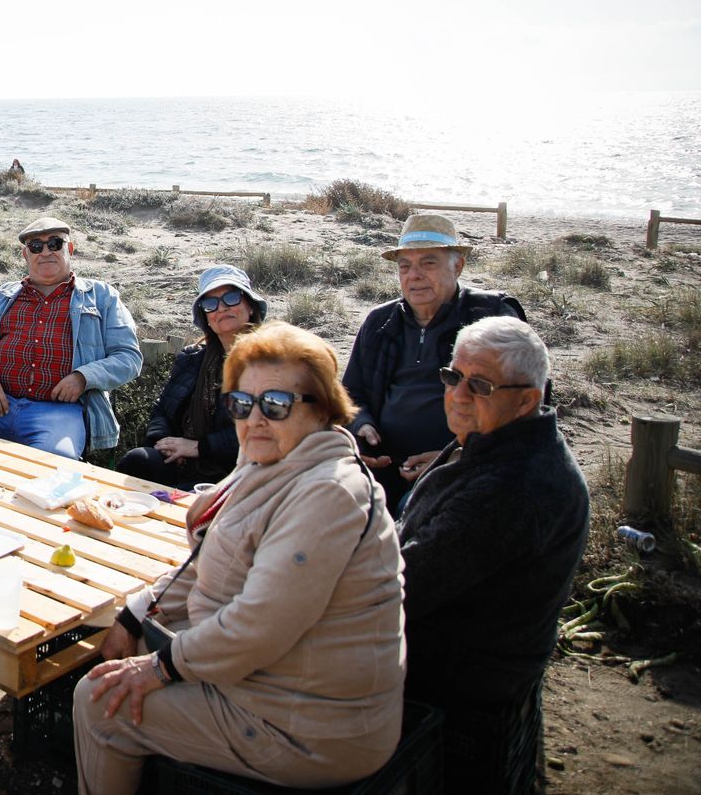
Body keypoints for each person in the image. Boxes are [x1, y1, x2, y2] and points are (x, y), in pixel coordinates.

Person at [74, 323, 404, 792]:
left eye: (276, 404)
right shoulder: (269, 459)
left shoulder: (328, 492)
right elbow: (210, 561)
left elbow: (258, 625)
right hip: (268, 677)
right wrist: (135, 613)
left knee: (97, 699)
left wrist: (160, 667)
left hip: (310, 724)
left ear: (325, 408)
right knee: (106, 634)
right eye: (241, 404)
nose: (254, 419)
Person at [398, 317, 588, 785]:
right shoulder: (497, 439)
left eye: (479, 385)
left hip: (461, 686)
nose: (458, 395)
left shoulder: (515, 488)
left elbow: (402, 586)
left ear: (528, 400)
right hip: (462, 657)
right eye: (452, 376)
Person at [0, 216, 142, 459]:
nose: (45, 251)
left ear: (70, 249)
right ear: (26, 255)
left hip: (57, 411)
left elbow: (128, 358)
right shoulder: (3, 295)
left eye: (55, 244)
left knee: (56, 457)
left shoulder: (102, 296)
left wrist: (83, 377)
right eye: (36, 246)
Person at [342, 213, 525, 507]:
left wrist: (453, 455)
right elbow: (351, 393)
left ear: (458, 266)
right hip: (383, 465)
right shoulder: (380, 322)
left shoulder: (490, 317)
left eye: (428, 263)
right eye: (405, 266)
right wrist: (361, 426)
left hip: (467, 464)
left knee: (413, 513)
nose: (414, 275)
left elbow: (521, 407)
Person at [117, 265, 267, 488]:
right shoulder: (193, 358)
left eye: (231, 297)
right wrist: (165, 444)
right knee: (139, 460)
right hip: (183, 462)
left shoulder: (270, 365)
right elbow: (162, 409)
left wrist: (199, 448)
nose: (222, 307)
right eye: (210, 303)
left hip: (239, 469)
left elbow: (267, 430)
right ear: (205, 317)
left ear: (251, 307)